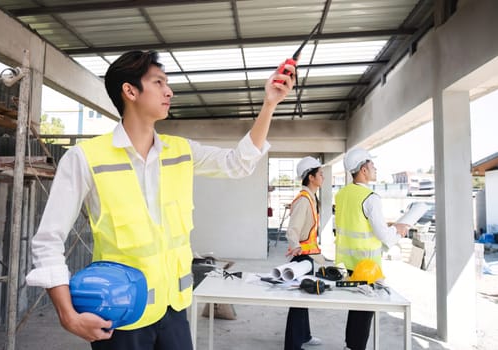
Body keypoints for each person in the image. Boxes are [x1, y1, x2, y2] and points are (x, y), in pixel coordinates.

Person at [25, 50, 295, 350]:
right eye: (158, 82)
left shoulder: (180, 151)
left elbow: (238, 163)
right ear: (130, 91)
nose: (169, 91)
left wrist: (270, 103)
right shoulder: (85, 158)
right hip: (120, 314)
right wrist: (69, 317)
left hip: (174, 311)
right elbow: (47, 241)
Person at [334, 148, 409, 350]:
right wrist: (398, 231)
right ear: (363, 170)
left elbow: (353, 225)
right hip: (366, 266)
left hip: (346, 264)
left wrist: (391, 229)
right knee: (364, 313)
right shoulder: (371, 197)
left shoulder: (341, 195)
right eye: (372, 165)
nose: (375, 168)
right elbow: (383, 235)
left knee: (356, 309)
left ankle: (350, 346)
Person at [283, 156, 324, 350]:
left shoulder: (312, 197)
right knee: (298, 302)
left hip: (309, 256)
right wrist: (295, 245)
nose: (323, 176)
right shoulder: (303, 200)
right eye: (320, 173)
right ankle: (293, 345)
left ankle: (304, 335)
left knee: (303, 298)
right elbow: (293, 229)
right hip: (302, 258)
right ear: (310, 177)